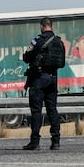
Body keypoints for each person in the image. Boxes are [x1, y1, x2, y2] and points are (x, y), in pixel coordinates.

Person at [21, 17, 61, 150]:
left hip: (39, 78)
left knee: (36, 110)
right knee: (52, 109)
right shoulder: (58, 41)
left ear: (42, 26)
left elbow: (26, 57)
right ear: (52, 26)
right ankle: (55, 141)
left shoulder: (37, 41)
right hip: (53, 78)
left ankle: (35, 141)